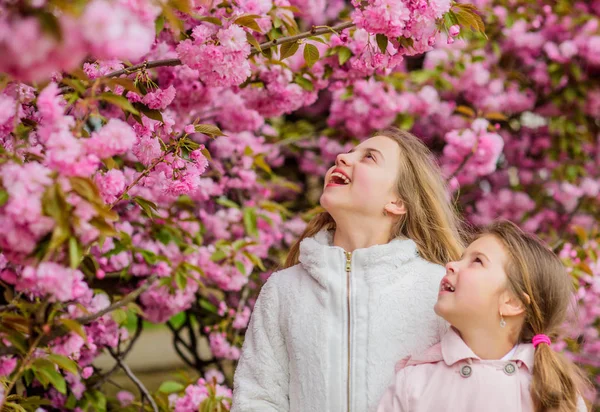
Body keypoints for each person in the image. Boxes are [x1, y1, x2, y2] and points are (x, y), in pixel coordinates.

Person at [231, 128, 465, 412]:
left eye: (369, 158)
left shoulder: (437, 288)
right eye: (349, 152)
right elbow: (257, 399)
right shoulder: (283, 290)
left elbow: (463, 391)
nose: (342, 157)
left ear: (397, 202)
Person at [377, 220, 593, 412]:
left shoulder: (554, 392)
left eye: (477, 261)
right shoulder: (414, 383)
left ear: (512, 302)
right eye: (461, 258)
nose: (450, 265)